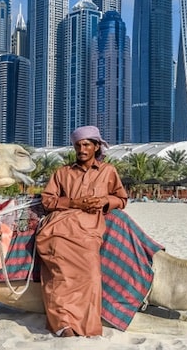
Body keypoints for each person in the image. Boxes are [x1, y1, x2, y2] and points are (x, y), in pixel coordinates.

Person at [36, 125, 128, 337]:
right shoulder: (62, 173)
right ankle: (62, 324)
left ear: (96, 146)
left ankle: (86, 327)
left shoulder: (108, 171)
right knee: (59, 272)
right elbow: (48, 200)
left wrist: (104, 200)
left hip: (89, 229)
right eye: (78, 145)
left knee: (91, 275)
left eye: (86, 144)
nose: (81, 149)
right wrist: (74, 202)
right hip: (59, 228)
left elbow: (121, 199)